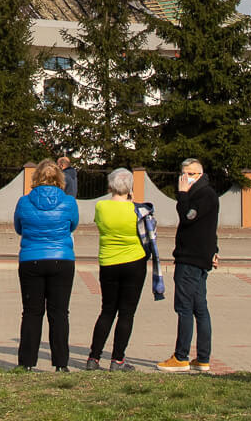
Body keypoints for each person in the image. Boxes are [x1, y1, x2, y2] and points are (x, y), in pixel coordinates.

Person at [13, 159, 79, 371]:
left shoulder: (24, 202)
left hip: (31, 259)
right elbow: (73, 225)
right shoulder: (69, 202)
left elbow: (19, 227)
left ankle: (26, 363)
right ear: (60, 179)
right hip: (61, 258)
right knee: (59, 313)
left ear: (36, 178)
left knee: (31, 312)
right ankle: (61, 364)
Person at [159, 157, 220, 373]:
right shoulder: (203, 194)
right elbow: (207, 228)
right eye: (183, 174)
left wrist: (182, 195)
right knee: (199, 308)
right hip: (197, 257)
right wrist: (214, 250)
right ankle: (202, 359)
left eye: (191, 174)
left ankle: (181, 357)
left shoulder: (204, 194)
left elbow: (188, 217)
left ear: (200, 175)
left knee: (185, 308)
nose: (186, 178)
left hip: (191, 260)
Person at [85, 168, 148, 371]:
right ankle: (117, 359)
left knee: (107, 310)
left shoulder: (101, 207)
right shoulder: (138, 210)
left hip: (108, 262)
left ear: (110, 186)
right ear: (130, 188)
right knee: (126, 313)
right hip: (134, 261)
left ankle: (94, 357)